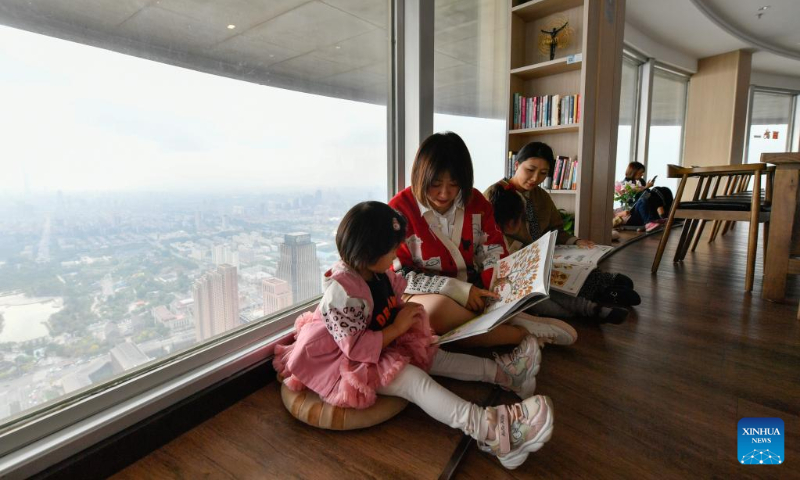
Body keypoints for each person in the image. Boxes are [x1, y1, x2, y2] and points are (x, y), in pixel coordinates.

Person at [273, 201, 554, 469]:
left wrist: (400, 319)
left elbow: (385, 304)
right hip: (349, 358)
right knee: (416, 381)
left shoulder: (377, 271)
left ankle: (505, 374)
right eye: (392, 249)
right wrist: (396, 328)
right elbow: (354, 349)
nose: (397, 254)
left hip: (380, 338)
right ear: (369, 253)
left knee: (434, 354)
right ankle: (492, 432)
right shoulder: (342, 294)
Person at [389, 132, 577, 347]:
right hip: (427, 292)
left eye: (454, 184)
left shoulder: (476, 201)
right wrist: (455, 289)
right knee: (433, 312)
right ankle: (520, 332)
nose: (444, 193)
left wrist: (494, 291)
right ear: (420, 176)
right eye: (435, 184)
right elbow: (398, 275)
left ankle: (505, 321)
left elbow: (493, 249)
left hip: (476, 288)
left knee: (513, 287)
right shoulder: (398, 211)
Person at [485, 141, 641, 313]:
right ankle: (601, 293)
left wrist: (576, 241)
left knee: (572, 269)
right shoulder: (495, 194)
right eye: (530, 170)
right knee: (558, 282)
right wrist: (529, 254)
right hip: (516, 262)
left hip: (545, 257)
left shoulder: (541, 195)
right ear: (516, 165)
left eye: (543, 173)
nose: (536, 178)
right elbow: (489, 238)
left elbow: (555, 228)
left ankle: (602, 284)